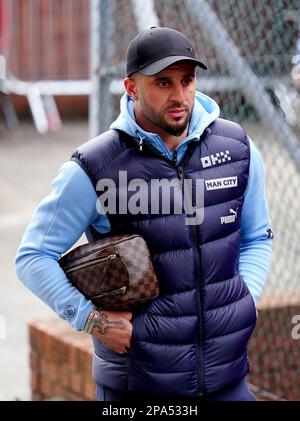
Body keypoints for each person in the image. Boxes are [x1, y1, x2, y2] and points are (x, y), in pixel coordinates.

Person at [15, 27, 273, 401]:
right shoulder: (94, 166)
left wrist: (243, 299)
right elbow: (33, 256)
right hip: (139, 385)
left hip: (227, 378)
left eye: (187, 81)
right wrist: (91, 320)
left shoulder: (237, 148)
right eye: (163, 83)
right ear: (131, 88)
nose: (180, 96)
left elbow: (258, 236)